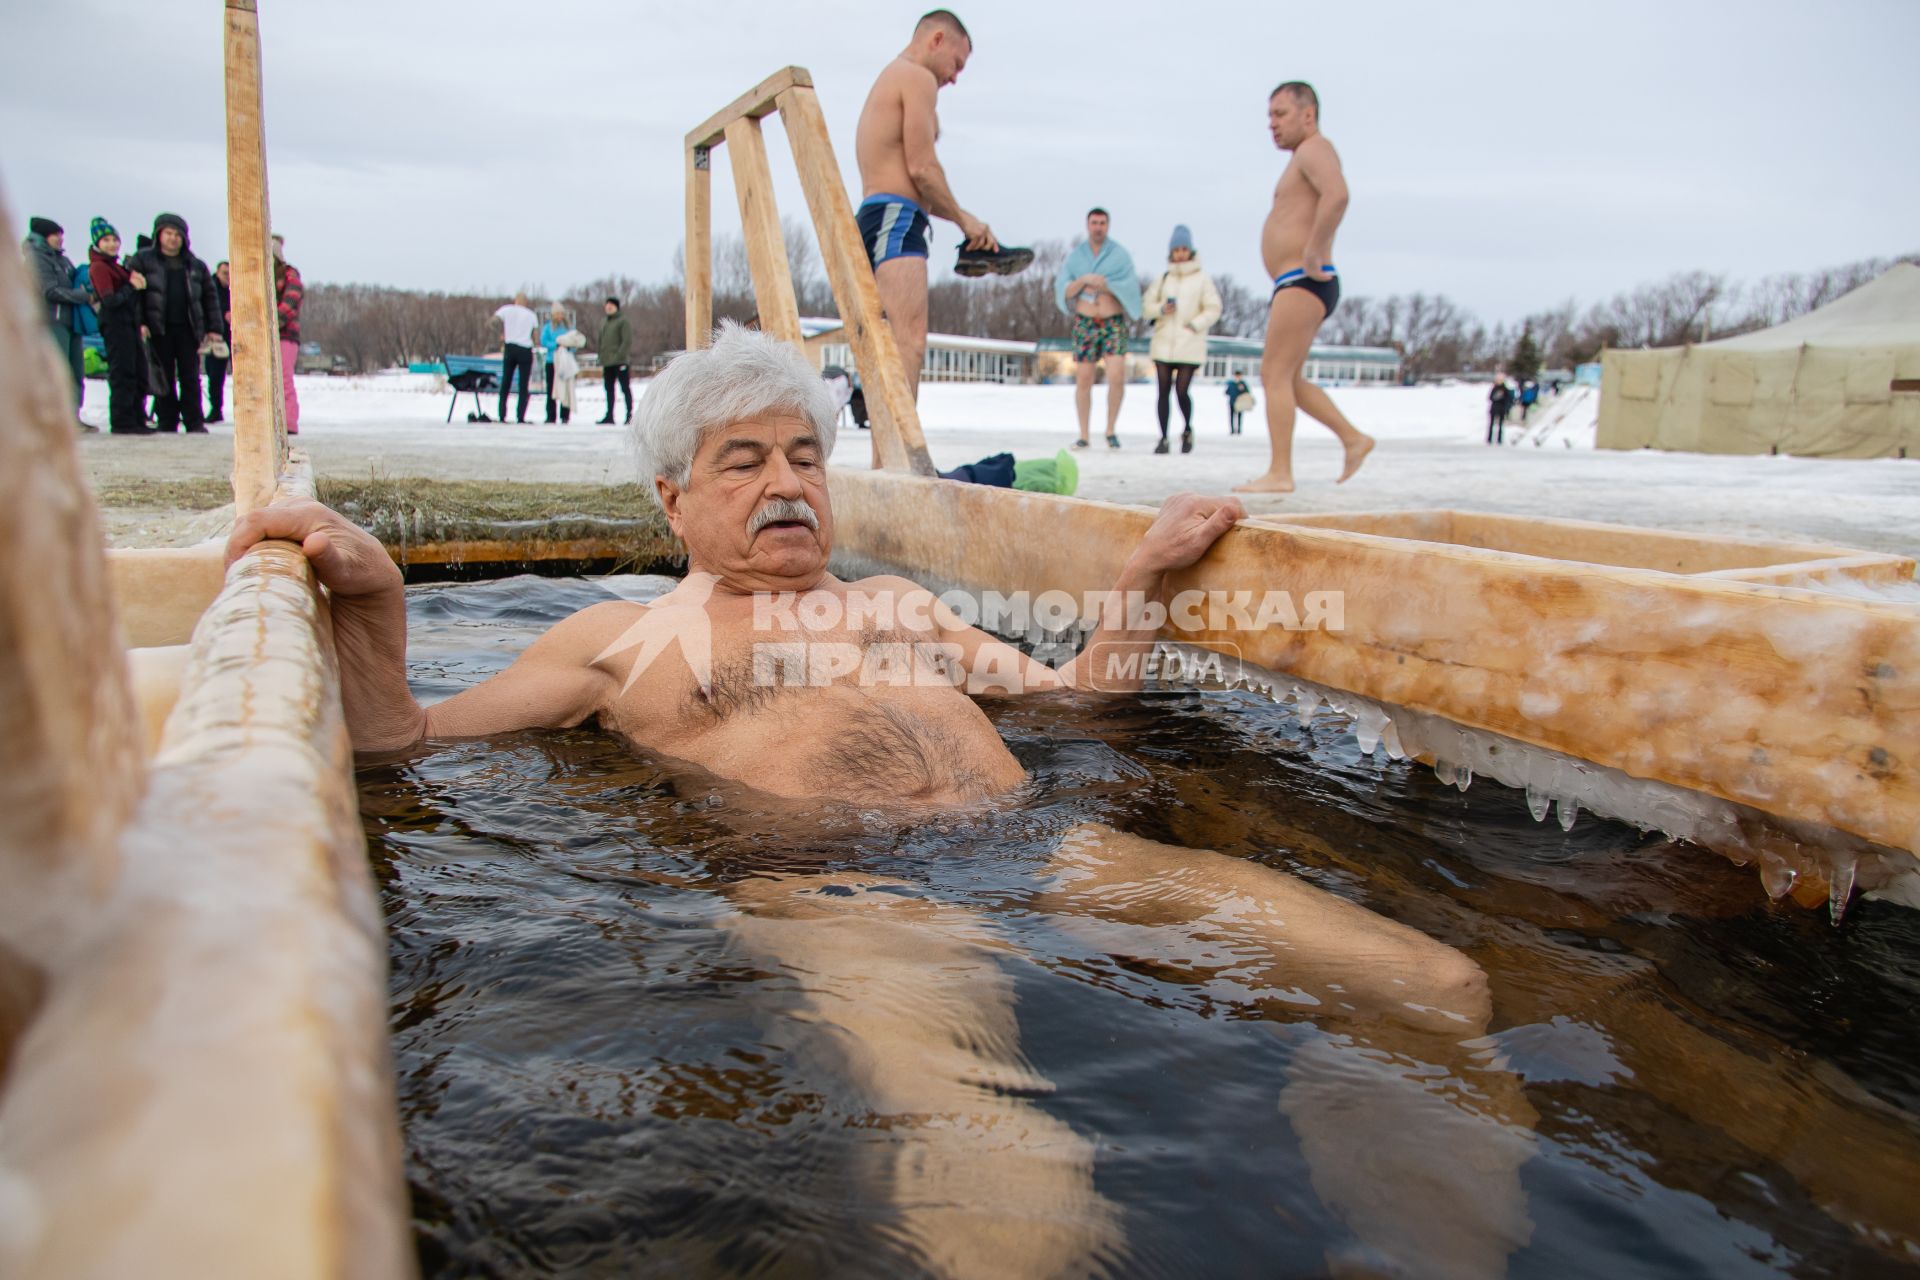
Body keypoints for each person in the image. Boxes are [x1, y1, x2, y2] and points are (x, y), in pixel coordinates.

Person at [227, 323, 1514, 1276]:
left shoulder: (896, 605)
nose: (787, 482)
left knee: (1435, 987)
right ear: (671, 498)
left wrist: (1138, 579)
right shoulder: (621, 638)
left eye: (804, 454)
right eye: (743, 462)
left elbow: (1074, 702)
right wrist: (377, 606)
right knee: (1022, 1200)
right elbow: (402, 743)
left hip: (1042, 845)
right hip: (843, 890)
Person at [854, 9, 1016, 432]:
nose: (955, 77)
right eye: (957, 64)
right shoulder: (917, 77)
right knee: (907, 342)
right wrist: (965, 221)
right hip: (896, 218)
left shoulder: (892, 77)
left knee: (885, 344)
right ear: (937, 39)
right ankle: (898, 459)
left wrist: (966, 221)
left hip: (878, 215)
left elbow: (915, 175)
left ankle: (886, 462)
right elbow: (923, 168)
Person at [1236, 83, 1376, 494]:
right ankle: (1353, 438)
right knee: (1289, 380)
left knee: (1273, 373)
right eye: (1269, 117)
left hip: (1303, 279)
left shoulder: (1315, 148)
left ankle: (1280, 472)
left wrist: (1314, 251)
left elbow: (1338, 195)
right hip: (1296, 282)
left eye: (1280, 114)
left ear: (1308, 115)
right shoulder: (1303, 155)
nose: (1272, 124)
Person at [1055, 208, 1141, 450]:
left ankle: (1111, 430)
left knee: (1116, 376)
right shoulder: (1076, 257)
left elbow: (1130, 287)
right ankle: (1084, 434)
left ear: (1108, 226)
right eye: (1094, 223)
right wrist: (1084, 280)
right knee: (1084, 379)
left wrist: (1108, 285)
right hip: (1085, 322)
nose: (1098, 227)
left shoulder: (1119, 255)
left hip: (1112, 322)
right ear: (1087, 225)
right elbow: (1064, 288)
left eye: (1102, 223)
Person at [129, 212, 221, 434]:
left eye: (177, 235)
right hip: (158, 328)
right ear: (159, 235)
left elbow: (210, 298)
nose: (173, 239)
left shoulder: (196, 266)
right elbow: (135, 297)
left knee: (190, 376)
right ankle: (167, 419)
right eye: (168, 233)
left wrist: (214, 328)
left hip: (189, 328)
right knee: (164, 376)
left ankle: (194, 420)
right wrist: (140, 322)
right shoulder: (143, 260)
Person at [1140, 224, 1222, 455]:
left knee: (1182, 390)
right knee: (1163, 390)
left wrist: (1194, 325)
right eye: (1176, 250)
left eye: (1184, 249)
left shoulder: (1202, 279)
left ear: (1191, 251)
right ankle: (1163, 437)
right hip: (1164, 341)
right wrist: (1160, 309)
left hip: (1189, 342)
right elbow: (1146, 307)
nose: (1180, 254)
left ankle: (1187, 429)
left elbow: (1214, 308)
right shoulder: (1163, 279)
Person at [22, 216, 93, 427]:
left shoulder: (62, 260)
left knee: (75, 371)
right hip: (52, 322)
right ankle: (53, 418)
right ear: (44, 236)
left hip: (71, 322)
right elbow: (49, 291)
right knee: (58, 371)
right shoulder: (36, 258)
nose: (61, 239)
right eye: (56, 235)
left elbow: (73, 283)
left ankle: (72, 416)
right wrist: (81, 295)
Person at [85, 218, 152, 435]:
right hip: (115, 324)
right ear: (97, 243)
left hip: (128, 323)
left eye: (115, 239)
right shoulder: (99, 267)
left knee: (138, 371)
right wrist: (131, 287)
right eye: (106, 240)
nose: (112, 244)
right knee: (123, 372)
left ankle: (137, 418)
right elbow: (110, 300)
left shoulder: (115, 266)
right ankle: (123, 421)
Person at [271, 234, 301, 434]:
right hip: (260, 338)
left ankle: (289, 422)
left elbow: (291, 302)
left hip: (285, 336)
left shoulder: (290, 274)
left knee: (283, 378)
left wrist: (271, 323)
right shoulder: (254, 275)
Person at [493, 292, 537, 423]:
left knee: (506, 381)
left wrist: (501, 333)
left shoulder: (506, 310)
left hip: (510, 347)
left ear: (515, 301)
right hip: (525, 349)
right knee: (523, 385)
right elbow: (535, 336)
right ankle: (520, 416)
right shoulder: (531, 315)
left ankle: (502, 414)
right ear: (526, 302)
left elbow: (492, 321)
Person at [595, 297, 633, 425]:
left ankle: (629, 415)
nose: (608, 307)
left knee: (625, 388)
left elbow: (626, 341)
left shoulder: (623, 321)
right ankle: (609, 415)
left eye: (611, 305)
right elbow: (600, 341)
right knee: (609, 389)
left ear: (616, 307)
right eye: (607, 305)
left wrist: (619, 356)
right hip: (607, 362)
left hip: (620, 361)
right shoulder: (603, 321)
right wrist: (600, 355)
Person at [205, 261, 232, 423]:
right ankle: (216, 409)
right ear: (217, 272)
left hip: (236, 337)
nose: (227, 277)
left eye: (230, 273)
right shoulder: (210, 288)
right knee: (215, 375)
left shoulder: (239, 287)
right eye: (224, 273)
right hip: (216, 337)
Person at [539, 303, 573, 424]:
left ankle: (565, 415)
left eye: (561, 314)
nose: (559, 316)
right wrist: (556, 345)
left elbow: (574, 342)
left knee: (565, 388)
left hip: (565, 362)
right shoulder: (548, 328)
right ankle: (550, 415)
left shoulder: (568, 327)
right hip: (552, 361)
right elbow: (543, 341)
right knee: (551, 389)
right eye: (557, 314)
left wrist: (568, 348)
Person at [1486, 377, 1512, 444]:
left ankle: (1499, 439)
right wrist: (1496, 397)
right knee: (1491, 424)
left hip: (1501, 408)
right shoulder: (1494, 388)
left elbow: (1508, 399)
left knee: (1500, 425)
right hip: (1494, 408)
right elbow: (1490, 397)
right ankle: (1489, 438)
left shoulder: (1505, 389)